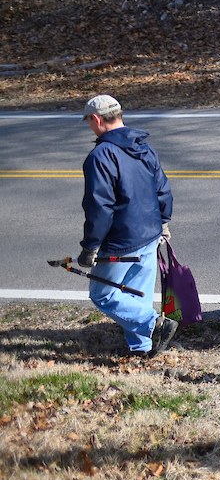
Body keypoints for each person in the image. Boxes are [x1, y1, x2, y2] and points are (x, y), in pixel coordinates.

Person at [79, 94, 177, 359]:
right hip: (151, 233)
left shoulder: (100, 156)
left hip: (121, 241)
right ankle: (142, 349)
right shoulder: (144, 147)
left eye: (89, 120)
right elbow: (163, 191)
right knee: (137, 294)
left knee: (102, 294)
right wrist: (163, 223)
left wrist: (90, 246)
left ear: (97, 119)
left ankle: (154, 325)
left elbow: (99, 207)